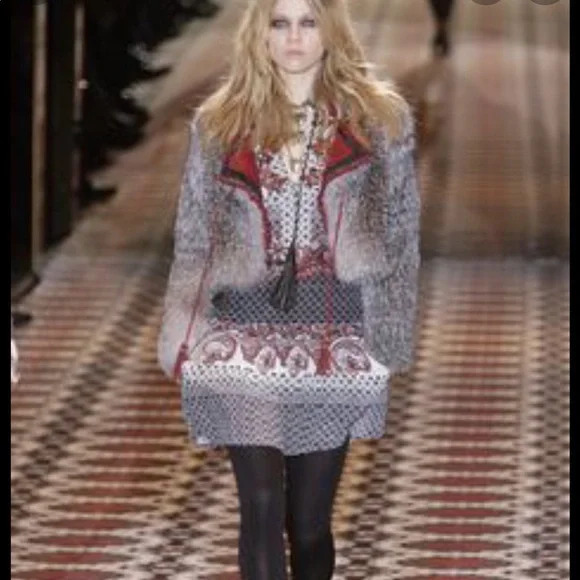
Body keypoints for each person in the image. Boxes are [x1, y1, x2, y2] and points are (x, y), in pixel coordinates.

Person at [157, 0, 420, 577]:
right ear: (260, 34)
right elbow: (194, 236)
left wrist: (390, 335)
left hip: (335, 331)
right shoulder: (220, 123)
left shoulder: (379, 121)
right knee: (259, 506)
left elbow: (401, 236)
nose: (294, 38)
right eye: (279, 23)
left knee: (308, 523)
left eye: (308, 23)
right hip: (240, 331)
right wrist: (186, 329)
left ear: (331, 31)